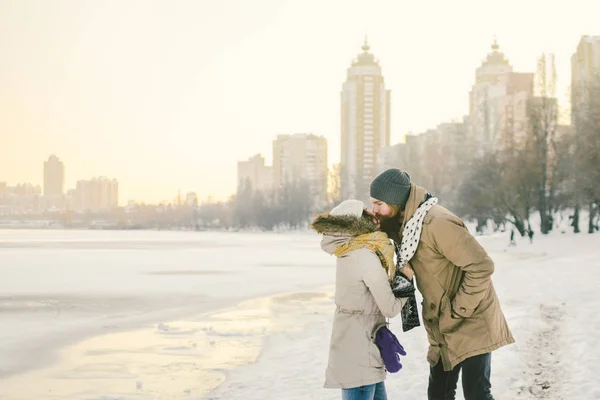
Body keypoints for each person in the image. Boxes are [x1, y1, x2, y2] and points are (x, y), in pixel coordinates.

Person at [369, 169, 514, 400]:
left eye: (378, 203)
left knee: (476, 393)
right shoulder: (407, 229)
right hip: (443, 324)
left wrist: (458, 311)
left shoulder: (436, 223)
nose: (374, 210)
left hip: (471, 319)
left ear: (396, 202)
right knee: (439, 393)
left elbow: (482, 267)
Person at [311, 199, 408, 400]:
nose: (373, 213)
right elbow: (390, 307)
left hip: (355, 345)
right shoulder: (364, 255)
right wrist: (405, 280)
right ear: (357, 222)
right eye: (365, 211)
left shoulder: (348, 250)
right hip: (361, 352)